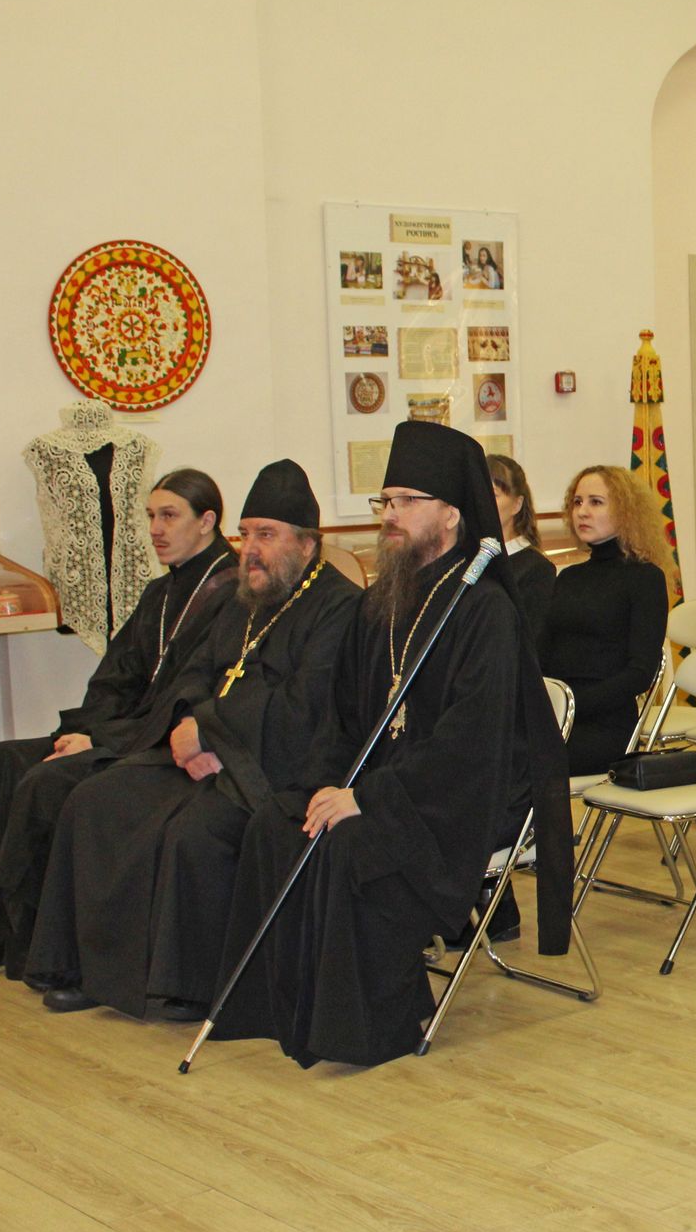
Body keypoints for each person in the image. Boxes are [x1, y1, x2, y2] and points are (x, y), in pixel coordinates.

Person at [207, 421, 573, 1068]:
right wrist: (325, 784)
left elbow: (468, 745)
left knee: (352, 842)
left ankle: (366, 1026)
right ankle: (277, 1008)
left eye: (407, 501)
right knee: (277, 821)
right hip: (382, 786)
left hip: (453, 802)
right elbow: (343, 718)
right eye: (386, 501)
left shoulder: (484, 610)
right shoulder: (382, 603)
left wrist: (367, 799)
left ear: (452, 514)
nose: (390, 516)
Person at [23, 462, 362, 1018]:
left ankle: (186, 986)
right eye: (245, 534)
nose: (251, 549)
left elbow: (305, 707)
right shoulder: (246, 598)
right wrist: (188, 728)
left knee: (192, 833)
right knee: (98, 800)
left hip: (273, 767)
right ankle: (93, 970)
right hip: (208, 751)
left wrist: (212, 734)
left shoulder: (340, 606)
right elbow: (196, 673)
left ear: (307, 544)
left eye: (267, 535)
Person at [0, 470, 236, 977]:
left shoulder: (232, 593)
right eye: (151, 516)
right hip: (120, 730)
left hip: (159, 742)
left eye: (169, 516)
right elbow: (116, 676)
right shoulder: (161, 593)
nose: (156, 529)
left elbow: (187, 698)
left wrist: (101, 740)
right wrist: (85, 730)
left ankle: (47, 949)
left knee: (47, 782)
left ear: (206, 521)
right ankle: (4, 931)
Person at [539, 465, 673, 775]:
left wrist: (572, 706)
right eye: (577, 502)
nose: (582, 512)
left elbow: (640, 673)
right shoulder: (569, 577)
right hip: (557, 714)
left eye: (596, 502)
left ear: (626, 511)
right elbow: (541, 653)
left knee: (516, 762)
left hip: (604, 725)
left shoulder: (645, 578)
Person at [487, 453, 556, 649]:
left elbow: (529, 643)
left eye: (493, 494)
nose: (483, 502)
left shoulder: (537, 568)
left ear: (516, 504)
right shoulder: (467, 558)